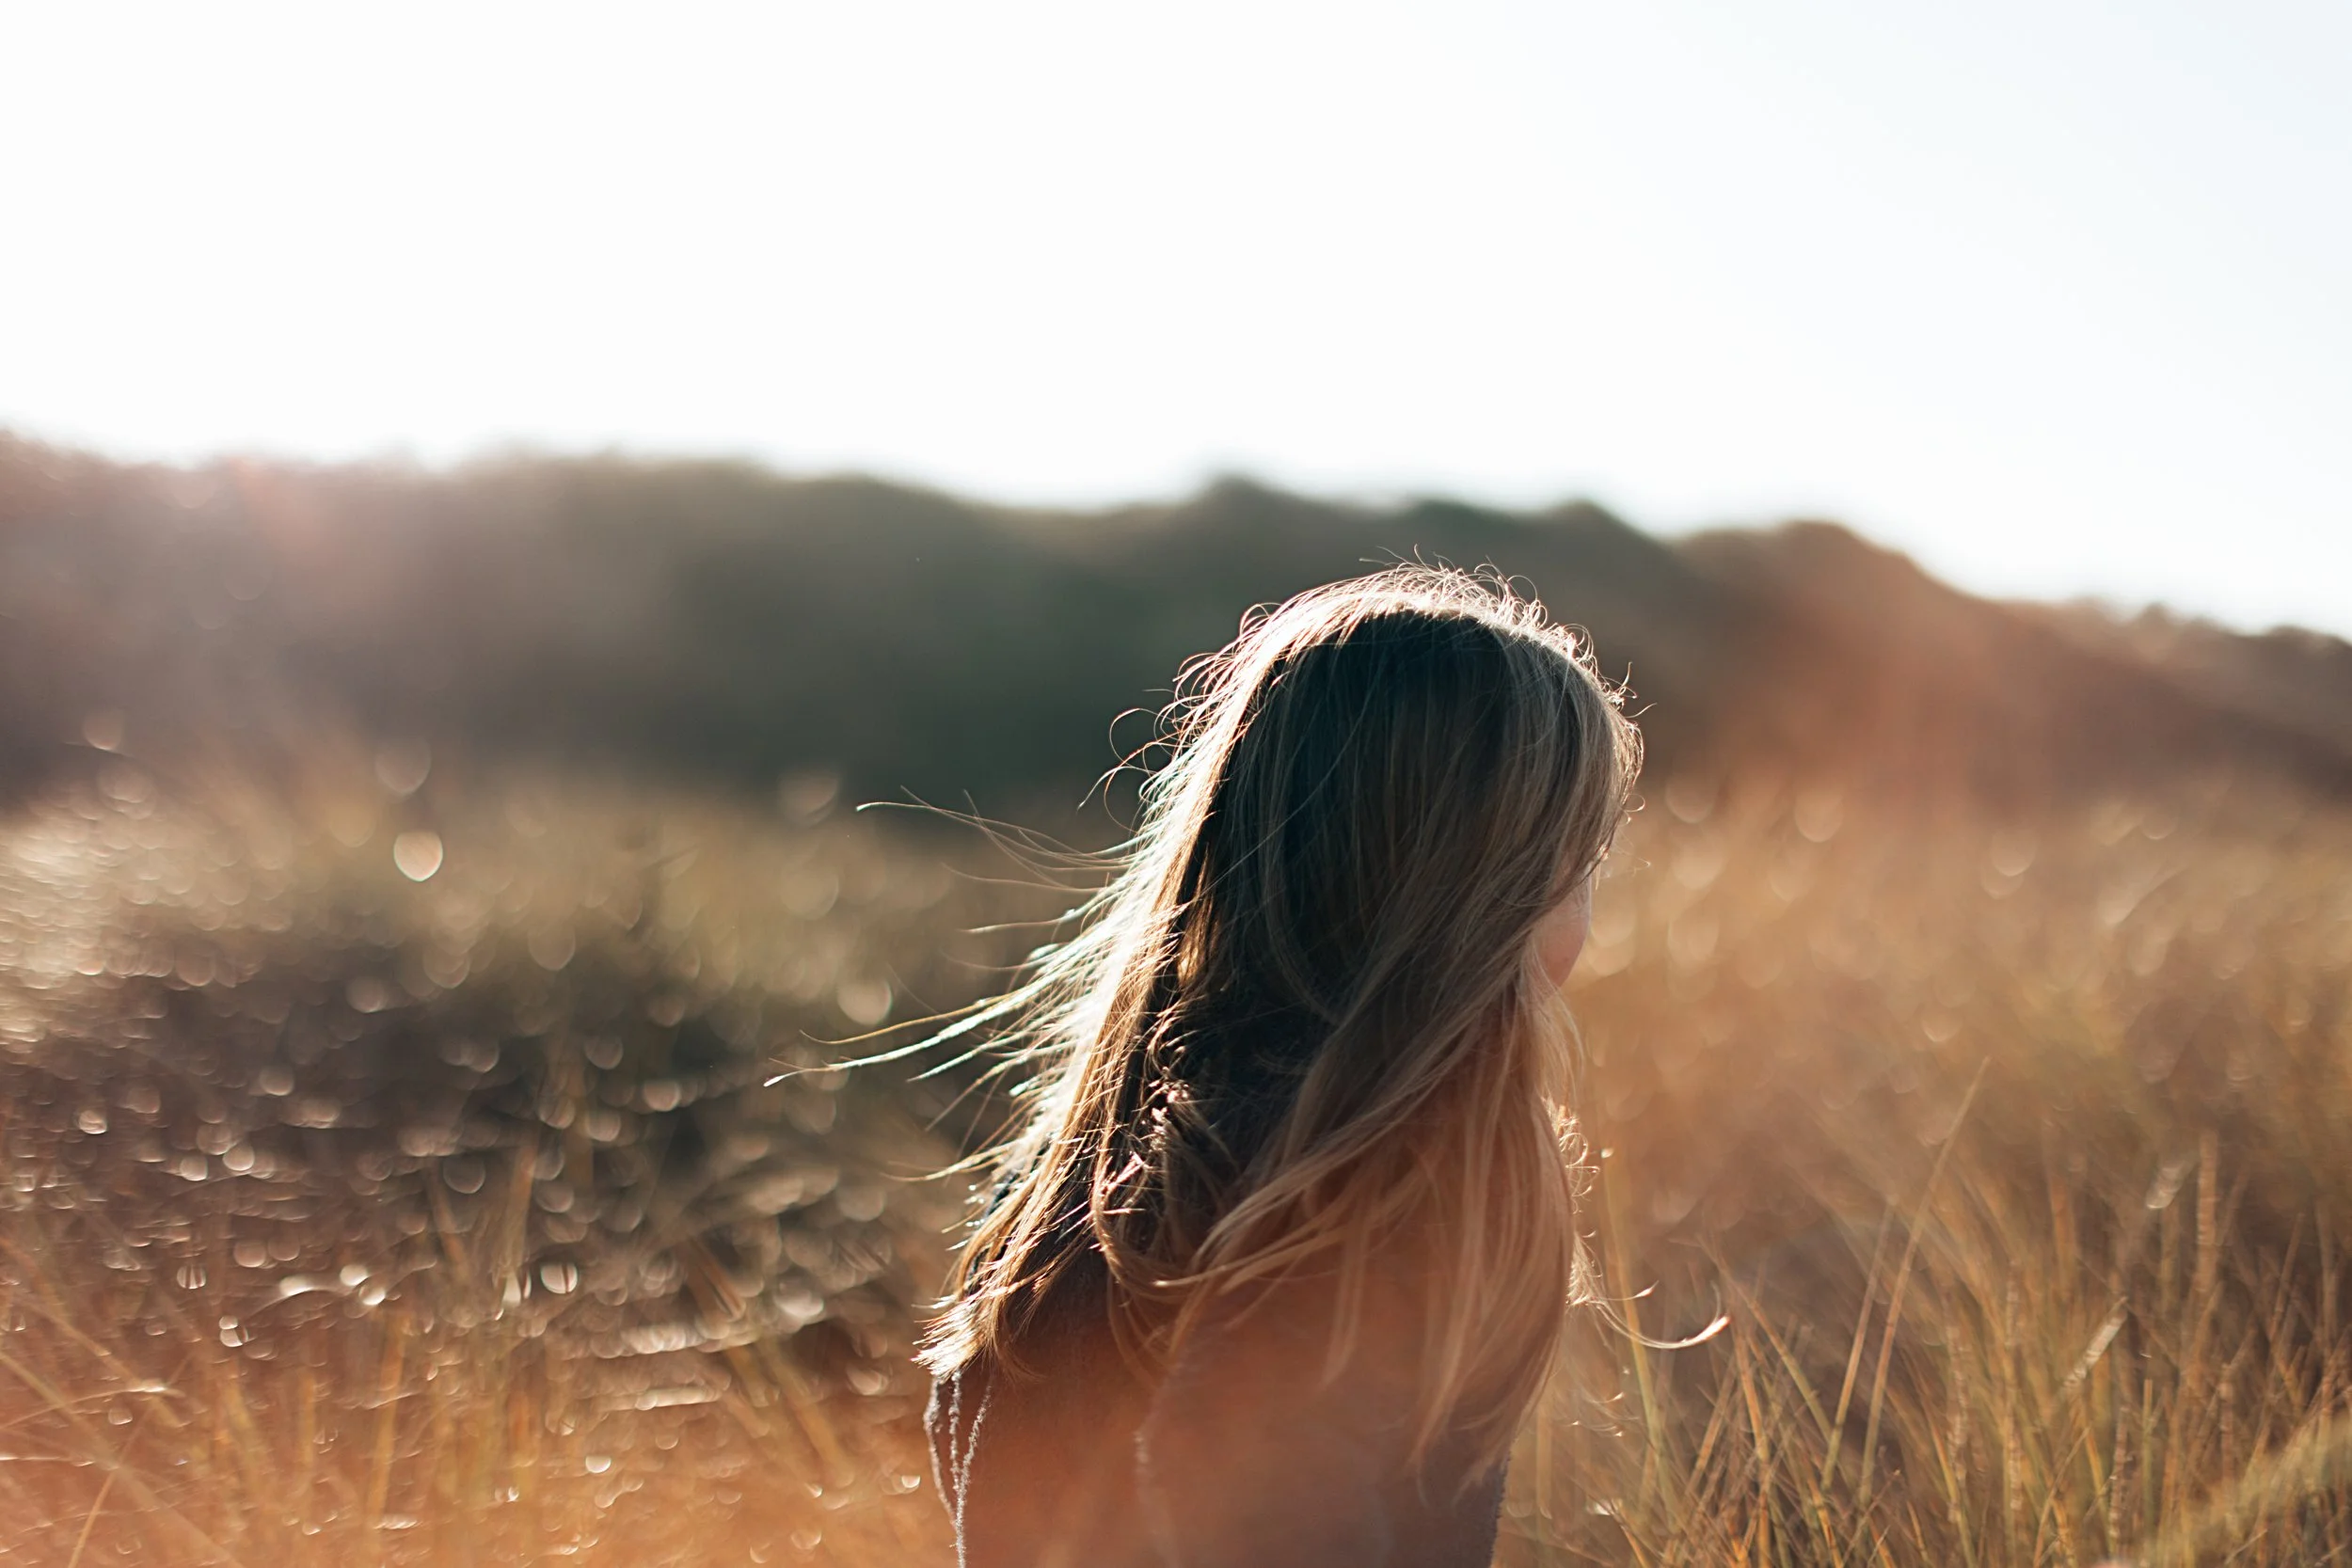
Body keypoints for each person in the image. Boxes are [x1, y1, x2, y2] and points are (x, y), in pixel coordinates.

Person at [921, 565, 1639, 1567]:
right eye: (1575, 866)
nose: (1585, 918)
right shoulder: (1374, 1163)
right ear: (1485, 894)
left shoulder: (1113, 1149)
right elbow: (1243, 1487)